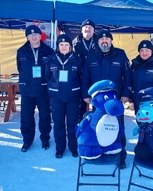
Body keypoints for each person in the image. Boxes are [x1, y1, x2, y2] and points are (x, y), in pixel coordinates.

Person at [81, 29, 131, 168]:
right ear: (98, 42)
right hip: (97, 101)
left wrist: (126, 93)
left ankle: (120, 157)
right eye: (102, 40)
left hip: (115, 101)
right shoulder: (91, 56)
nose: (104, 41)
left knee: (118, 126)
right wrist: (85, 95)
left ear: (111, 40)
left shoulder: (120, 54)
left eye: (107, 39)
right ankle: (100, 151)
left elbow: (128, 75)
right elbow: (85, 76)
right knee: (97, 126)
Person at [16, 25, 54, 152]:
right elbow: (20, 69)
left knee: (45, 117)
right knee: (26, 117)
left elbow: (52, 71)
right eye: (31, 35)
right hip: (27, 90)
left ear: (40, 36)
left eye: (36, 34)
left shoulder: (49, 51)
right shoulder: (21, 51)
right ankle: (27, 141)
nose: (34, 37)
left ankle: (45, 139)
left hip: (43, 90)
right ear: (27, 37)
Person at [45, 34, 82, 158]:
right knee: (58, 124)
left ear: (70, 47)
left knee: (72, 124)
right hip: (56, 98)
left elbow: (81, 77)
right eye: (61, 45)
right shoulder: (51, 60)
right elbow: (47, 77)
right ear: (58, 46)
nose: (64, 47)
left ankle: (73, 147)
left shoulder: (77, 60)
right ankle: (59, 148)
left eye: (66, 45)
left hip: (73, 97)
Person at [73, 19, 98, 120]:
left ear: (93, 30)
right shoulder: (75, 43)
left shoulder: (99, 41)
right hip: (80, 77)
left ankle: (96, 126)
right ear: (82, 29)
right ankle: (82, 126)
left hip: (96, 76)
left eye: (90, 27)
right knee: (81, 104)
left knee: (97, 103)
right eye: (85, 27)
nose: (88, 29)